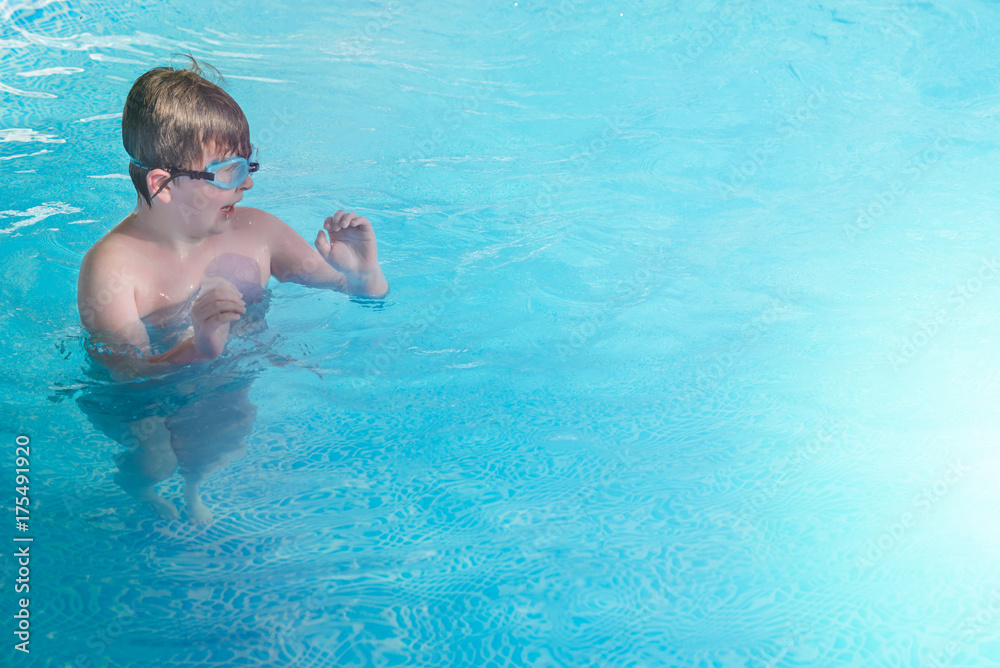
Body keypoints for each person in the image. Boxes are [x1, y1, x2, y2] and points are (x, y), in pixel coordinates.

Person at [76, 58, 388, 523]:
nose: (248, 182)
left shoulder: (258, 232)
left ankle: (194, 486)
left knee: (228, 432)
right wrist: (198, 349)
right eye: (229, 171)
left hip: (223, 377)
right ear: (163, 185)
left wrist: (364, 274)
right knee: (154, 455)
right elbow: (128, 377)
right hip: (147, 399)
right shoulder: (112, 267)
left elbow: (363, 298)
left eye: (248, 163)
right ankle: (141, 489)